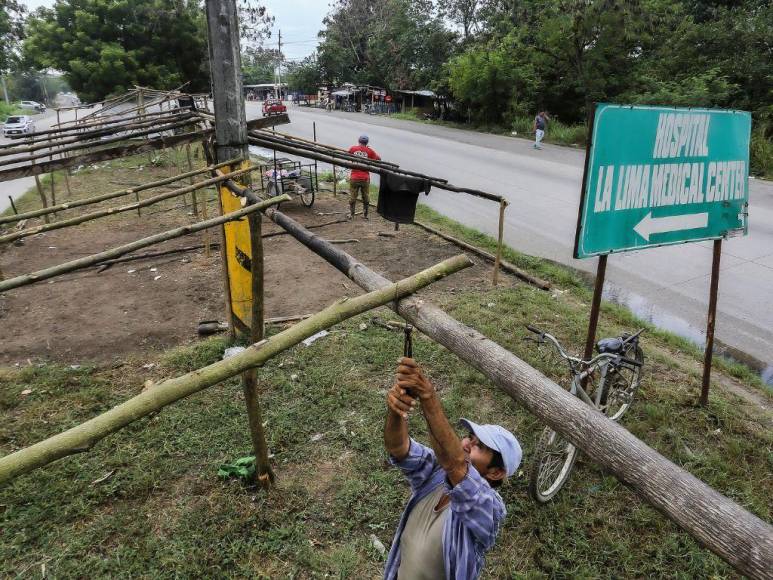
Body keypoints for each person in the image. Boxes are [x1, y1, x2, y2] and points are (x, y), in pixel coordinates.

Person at [384, 357, 522, 579]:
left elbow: (455, 463)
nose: (467, 443)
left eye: (480, 446)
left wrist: (427, 396)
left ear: (495, 472)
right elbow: (399, 448)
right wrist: (397, 410)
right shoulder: (438, 473)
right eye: (470, 437)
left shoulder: (489, 510)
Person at [347, 135, 381, 220]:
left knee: (353, 196)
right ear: (367, 142)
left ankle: (351, 214)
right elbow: (378, 159)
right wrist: (369, 150)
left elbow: (348, 155)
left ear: (358, 141)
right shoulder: (370, 151)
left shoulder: (353, 148)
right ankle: (365, 215)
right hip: (365, 178)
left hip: (354, 177)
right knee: (365, 196)